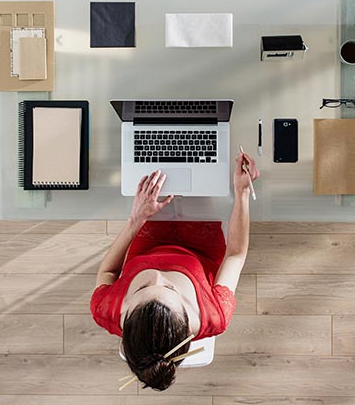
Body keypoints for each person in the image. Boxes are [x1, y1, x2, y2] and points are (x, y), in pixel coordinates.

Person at [90, 152, 259, 391]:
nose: (158, 275)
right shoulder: (215, 315)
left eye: (143, 287)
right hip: (200, 244)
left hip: (147, 237)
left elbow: (108, 271)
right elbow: (235, 255)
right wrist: (241, 192)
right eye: (170, 288)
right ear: (188, 320)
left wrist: (136, 217)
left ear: (126, 313)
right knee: (197, 160)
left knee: (157, 159)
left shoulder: (105, 311)